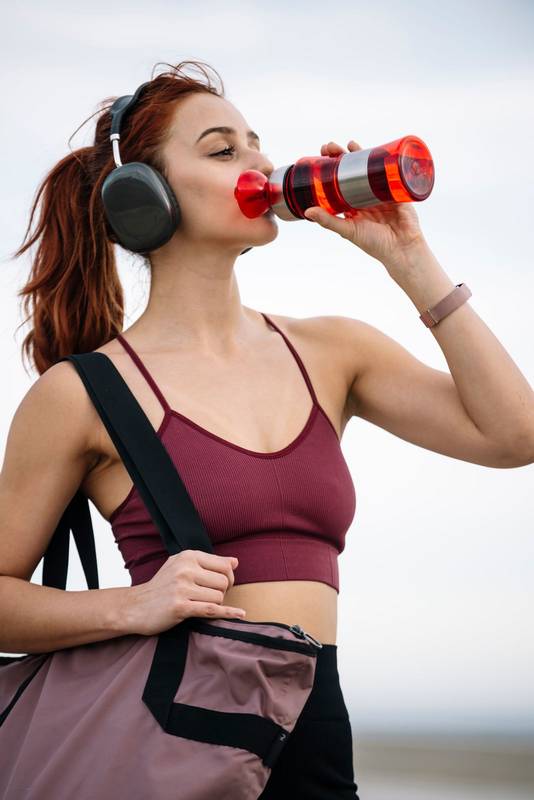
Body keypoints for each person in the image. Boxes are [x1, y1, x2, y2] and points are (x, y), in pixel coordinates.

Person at [1, 60, 533, 799]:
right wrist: (130, 605)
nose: (260, 163)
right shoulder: (84, 392)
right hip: (177, 736)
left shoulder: (332, 350)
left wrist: (411, 260)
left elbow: (515, 436)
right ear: (142, 197)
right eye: (223, 150)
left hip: (317, 733)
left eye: (257, 143)